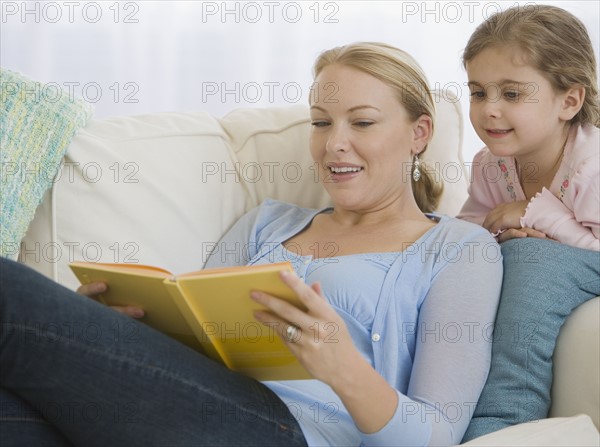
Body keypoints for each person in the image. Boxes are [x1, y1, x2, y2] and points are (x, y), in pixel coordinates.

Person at [0, 42, 502, 447]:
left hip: (296, 432)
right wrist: (104, 329)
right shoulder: (267, 224)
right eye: (322, 122)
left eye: (363, 122)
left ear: (419, 133)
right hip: (197, 408)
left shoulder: (459, 248)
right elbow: (197, 334)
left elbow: (436, 435)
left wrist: (344, 368)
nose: (334, 143)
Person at [456, 5, 600, 442]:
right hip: (540, 260)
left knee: (530, 259)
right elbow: (472, 226)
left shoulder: (590, 164)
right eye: (479, 93)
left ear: (569, 101)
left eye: (512, 94)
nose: (489, 111)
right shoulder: (490, 164)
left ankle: (504, 424)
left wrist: (537, 216)